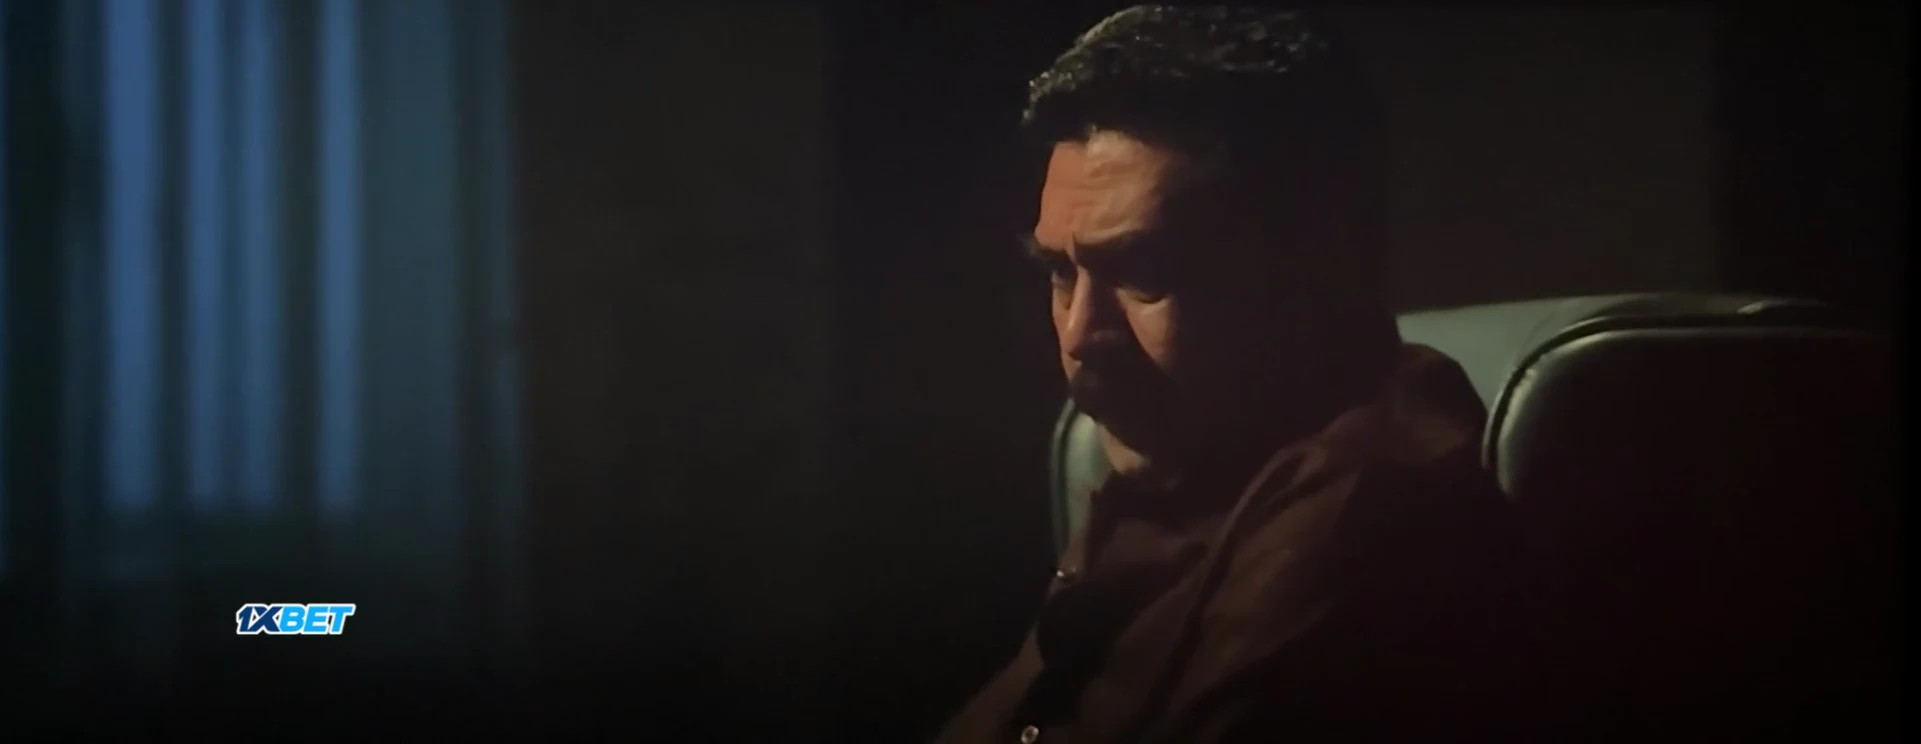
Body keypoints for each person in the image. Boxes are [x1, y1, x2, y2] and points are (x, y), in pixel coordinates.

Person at [936, 6, 1545, 742]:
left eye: (1146, 269)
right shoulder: (1186, 468)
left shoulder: (1362, 520)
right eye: (1061, 273)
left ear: (1320, 263)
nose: (1079, 334)